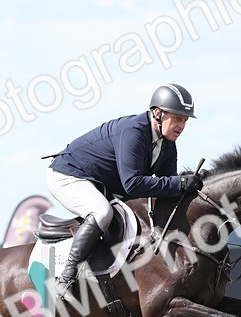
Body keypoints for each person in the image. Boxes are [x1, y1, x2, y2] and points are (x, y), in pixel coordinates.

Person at [45, 83, 201, 298]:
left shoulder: (168, 145)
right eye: (176, 118)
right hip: (69, 175)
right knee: (102, 213)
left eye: (184, 120)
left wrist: (190, 185)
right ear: (157, 113)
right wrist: (180, 184)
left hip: (102, 184)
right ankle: (67, 276)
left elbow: (168, 187)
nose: (181, 125)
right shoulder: (134, 132)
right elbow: (133, 184)